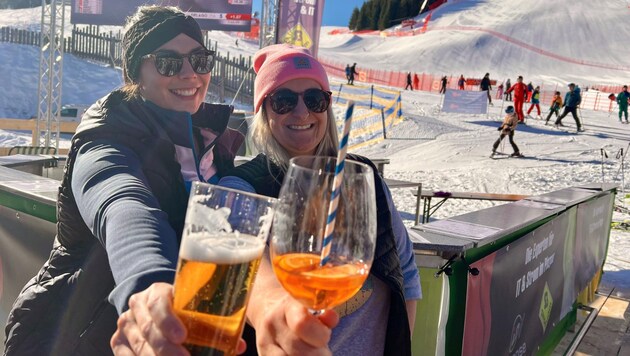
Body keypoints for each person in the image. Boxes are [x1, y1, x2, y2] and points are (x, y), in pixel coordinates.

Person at [110, 44, 422, 356]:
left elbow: (405, 274)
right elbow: (229, 262)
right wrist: (273, 301)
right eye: (283, 101)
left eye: (314, 99)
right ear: (264, 111)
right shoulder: (240, 186)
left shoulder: (363, 177)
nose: (302, 112)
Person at [3, 6, 244, 355]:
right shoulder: (103, 139)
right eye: (168, 62)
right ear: (136, 75)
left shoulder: (213, 146)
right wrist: (149, 285)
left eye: (200, 60)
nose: (190, 74)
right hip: (75, 337)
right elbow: (123, 204)